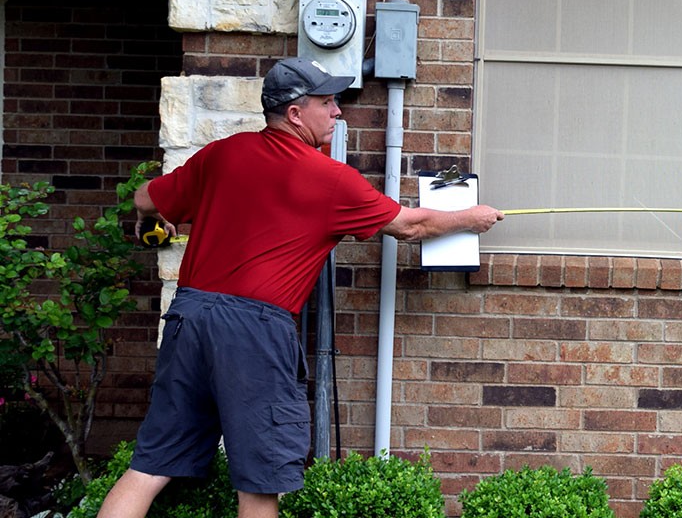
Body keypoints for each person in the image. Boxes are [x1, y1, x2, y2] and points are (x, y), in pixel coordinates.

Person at [97, 57, 502, 518]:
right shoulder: (330, 180)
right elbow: (410, 226)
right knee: (260, 481)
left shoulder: (223, 154)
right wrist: (472, 218)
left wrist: (154, 220)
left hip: (190, 318)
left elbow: (143, 198)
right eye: (327, 102)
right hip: (253, 331)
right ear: (294, 112)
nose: (338, 112)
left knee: (151, 465)